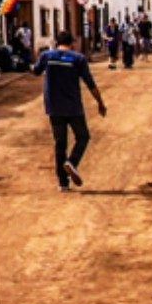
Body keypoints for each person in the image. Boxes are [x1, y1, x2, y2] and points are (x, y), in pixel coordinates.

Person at [32, 31, 107, 192]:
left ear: (56, 42)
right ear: (72, 43)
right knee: (83, 137)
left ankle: (63, 183)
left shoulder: (47, 56)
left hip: (54, 107)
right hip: (73, 107)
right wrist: (100, 103)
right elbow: (90, 83)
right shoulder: (78, 59)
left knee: (60, 143)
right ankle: (72, 162)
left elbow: (36, 71)